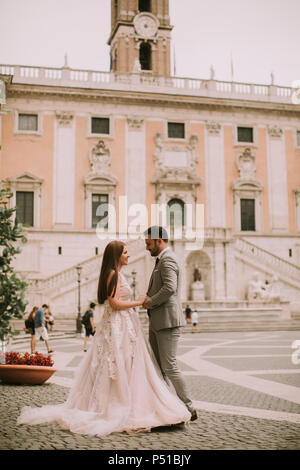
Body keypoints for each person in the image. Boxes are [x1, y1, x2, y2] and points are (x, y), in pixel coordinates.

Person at [17, 241, 191, 437]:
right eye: (125, 253)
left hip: (123, 324)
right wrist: (140, 301)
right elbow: (115, 303)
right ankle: (121, 402)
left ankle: (132, 399)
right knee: (119, 362)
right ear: (117, 255)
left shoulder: (116, 273)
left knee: (126, 363)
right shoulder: (113, 275)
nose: (129, 255)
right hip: (119, 324)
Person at [143, 226, 198, 422]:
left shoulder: (168, 259)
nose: (147, 248)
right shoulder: (161, 260)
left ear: (159, 241)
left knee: (169, 366)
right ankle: (166, 406)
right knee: (158, 368)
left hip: (166, 321)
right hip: (158, 321)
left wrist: (149, 301)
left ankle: (189, 407)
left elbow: (169, 288)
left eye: (149, 243)